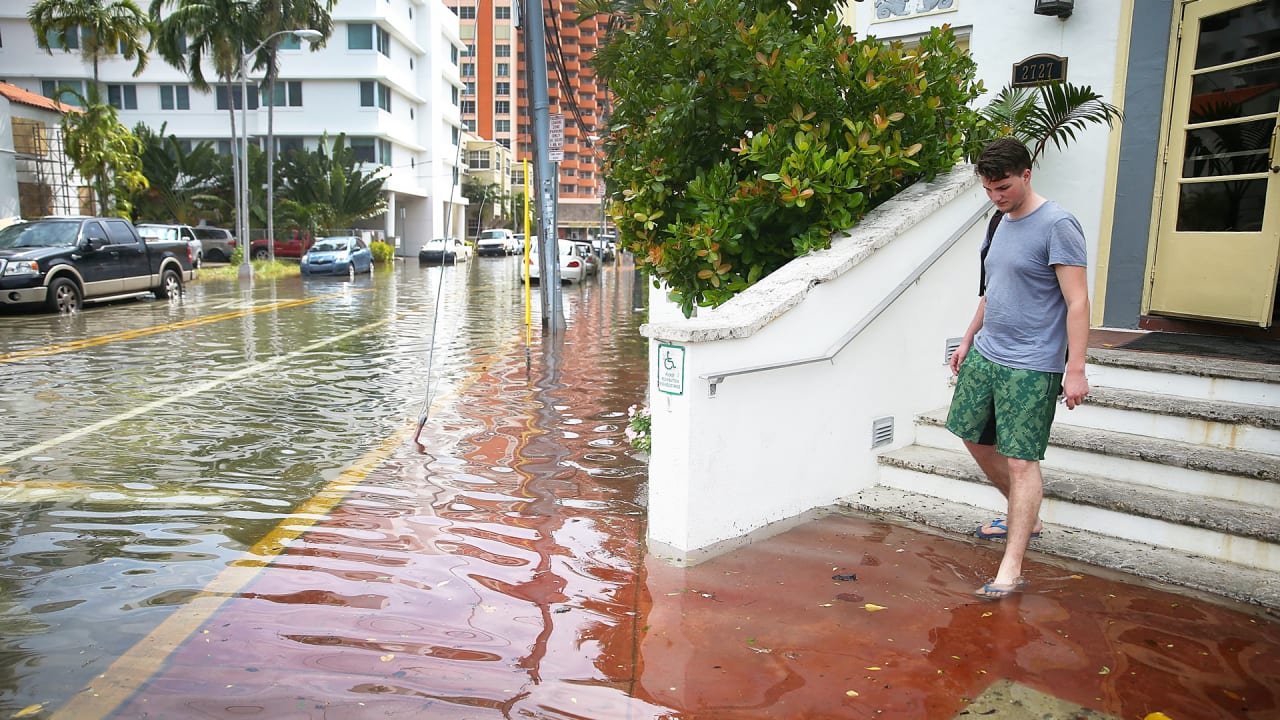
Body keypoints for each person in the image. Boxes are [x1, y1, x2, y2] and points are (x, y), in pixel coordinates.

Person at [945, 137, 1090, 601]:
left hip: (1032, 364)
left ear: (1027, 174)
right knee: (972, 436)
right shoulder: (999, 220)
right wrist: (968, 337)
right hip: (988, 352)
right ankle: (1024, 515)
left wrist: (1075, 369)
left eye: (1004, 187)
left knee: (1021, 461)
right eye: (988, 189)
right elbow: (994, 290)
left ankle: (1011, 565)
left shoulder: (1058, 225)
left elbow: (1078, 301)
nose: (996, 197)